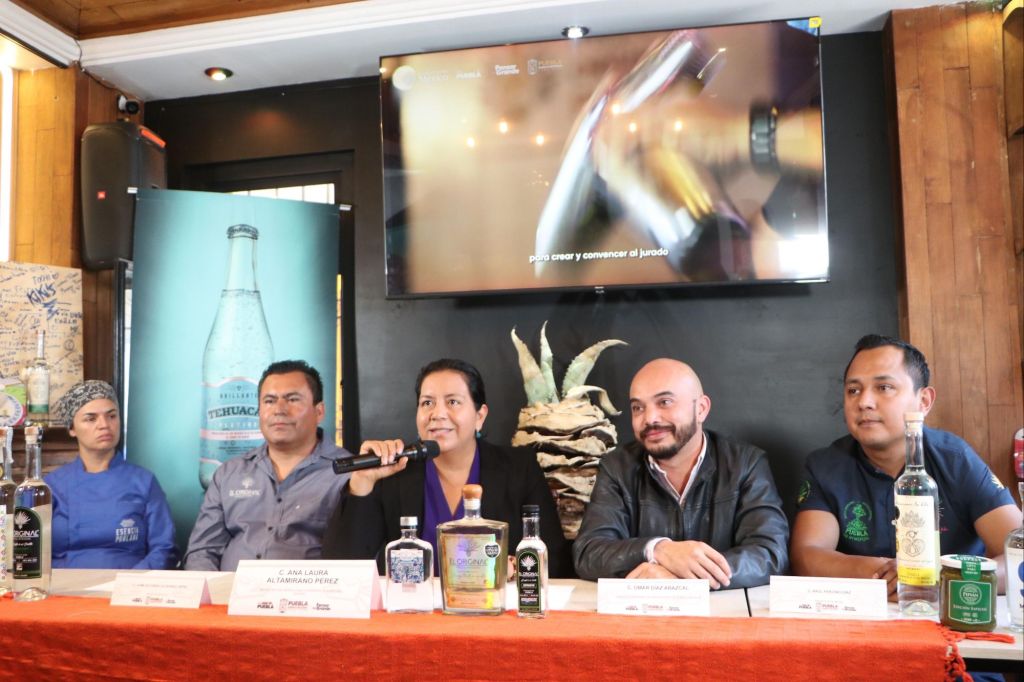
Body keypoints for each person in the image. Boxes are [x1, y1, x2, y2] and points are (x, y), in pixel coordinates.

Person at [790, 334, 1022, 598]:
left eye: (884, 387)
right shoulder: (825, 466)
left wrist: (938, 578)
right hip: (863, 613)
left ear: (924, 401)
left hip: (951, 609)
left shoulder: (956, 460)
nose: (864, 402)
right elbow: (806, 556)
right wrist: (886, 574)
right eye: (853, 390)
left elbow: (1019, 555)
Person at [323, 358, 572, 577]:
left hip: (493, 611)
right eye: (427, 403)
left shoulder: (518, 469)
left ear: (480, 416)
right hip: (412, 611)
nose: (437, 413)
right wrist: (363, 481)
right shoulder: (395, 472)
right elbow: (342, 568)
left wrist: (513, 569)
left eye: (453, 402)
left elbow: (553, 558)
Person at [573, 358, 788, 586]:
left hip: (721, 606)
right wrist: (658, 550)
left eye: (665, 402)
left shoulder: (745, 464)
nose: (650, 418)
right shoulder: (618, 467)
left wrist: (683, 578)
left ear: (701, 409)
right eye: (638, 408)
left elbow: (769, 555)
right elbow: (589, 553)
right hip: (642, 607)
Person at [184, 360, 350, 571]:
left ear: (319, 411)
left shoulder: (347, 473)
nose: (279, 410)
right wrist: (216, 590)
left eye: (292, 399)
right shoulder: (229, 473)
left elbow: (356, 553)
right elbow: (202, 551)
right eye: (269, 401)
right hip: (230, 590)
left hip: (308, 591)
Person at [47, 380, 178, 569]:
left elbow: (164, 549)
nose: (104, 425)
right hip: (64, 584)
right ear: (72, 429)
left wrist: (130, 582)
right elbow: (29, 552)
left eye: (112, 416)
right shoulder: (50, 486)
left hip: (129, 583)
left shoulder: (143, 481)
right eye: (91, 419)